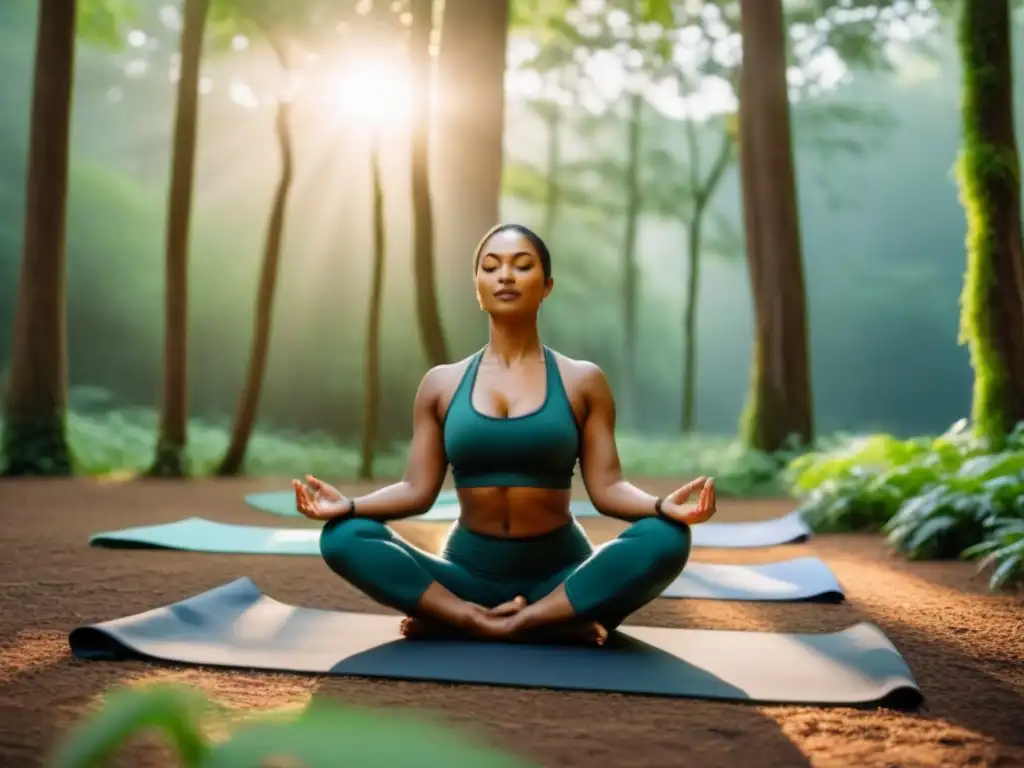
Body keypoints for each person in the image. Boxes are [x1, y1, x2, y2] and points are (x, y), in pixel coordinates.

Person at [292, 223, 718, 645]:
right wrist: (348, 506)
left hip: (562, 579)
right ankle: (481, 617)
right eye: (491, 267)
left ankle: (515, 619)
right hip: (467, 575)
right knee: (344, 537)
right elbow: (416, 490)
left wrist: (662, 506)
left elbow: (608, 488)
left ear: (547, 284)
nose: (506, 276)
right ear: (477, 285)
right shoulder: (441, 384)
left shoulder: (582, 381)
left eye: (522, 265)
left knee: (667, 537)